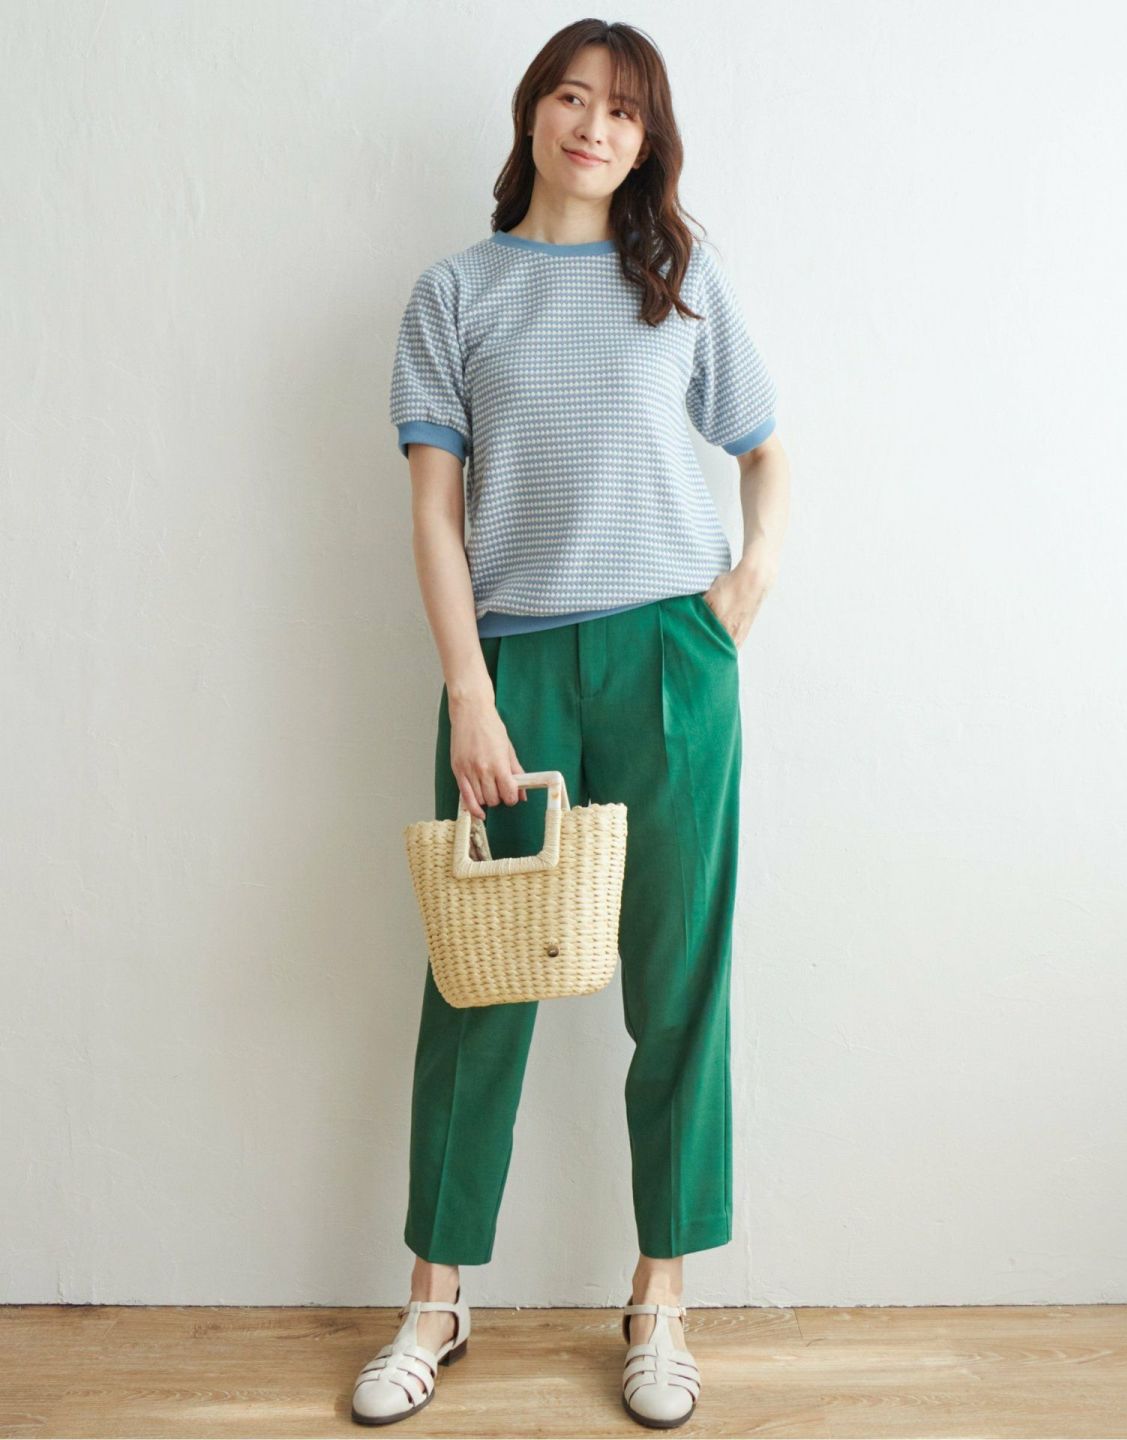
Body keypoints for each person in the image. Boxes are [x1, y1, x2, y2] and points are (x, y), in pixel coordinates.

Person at [352, 17, 790, 1429]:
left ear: (648, 139)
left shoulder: (682, 281)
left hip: (672, 656)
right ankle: (436, 1297)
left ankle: (660, 1300)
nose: (595, 126)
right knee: (479, 982)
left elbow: (766, 449)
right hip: (516, 669)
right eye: (571, 96)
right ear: (532, 113)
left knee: (679, 979)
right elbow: (434, 514)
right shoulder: (455, 294)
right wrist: (470, 693)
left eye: (624, 109)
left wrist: (746, 587)